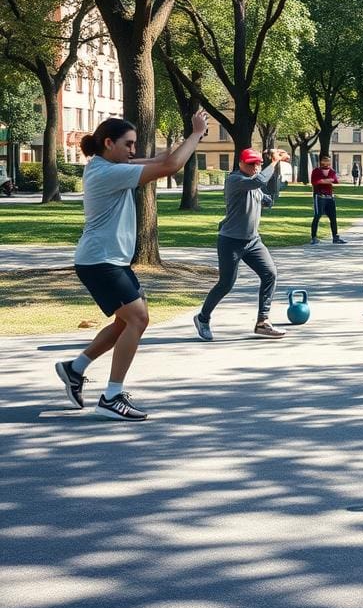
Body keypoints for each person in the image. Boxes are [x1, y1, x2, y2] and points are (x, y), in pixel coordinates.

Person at [55, 111, 208, 421]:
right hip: (101, 261)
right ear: (108, 143)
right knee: (138, 319)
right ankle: (111, 397)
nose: (133, 151)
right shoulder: (107, 173)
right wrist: (195, 135)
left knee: (127, 322)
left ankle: (75, 369)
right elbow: (171, 166)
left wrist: (177, 144)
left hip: (108, 260)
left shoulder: (109, 165)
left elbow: (162, 158)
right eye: (128, 144)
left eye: (135, 145)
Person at [193, 147, 290, 343]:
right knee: (226, 283)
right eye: (250, 164)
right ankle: (202, 318)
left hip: (253, 241)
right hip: (231, 241)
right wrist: (274, 161)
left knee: (270, 273)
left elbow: (268, 196)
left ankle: (262, 321)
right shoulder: (235, 180)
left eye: (257, 164)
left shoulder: (255, 185)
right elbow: (258, 181)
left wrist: (275, 177)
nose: (254, 167)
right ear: (240, 164)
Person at [310, 155, 346, 245]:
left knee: (333, 217)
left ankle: (335, 237)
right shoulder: (316, 171)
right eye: (325, 161)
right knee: (317, 216)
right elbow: (315, 182)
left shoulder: (332, 171)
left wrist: (323, 180)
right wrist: (327, 180)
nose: (327, 163)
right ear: (321, 162)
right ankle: (314, 237)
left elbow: (335, 181)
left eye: (328, 161)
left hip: (329, 197)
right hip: (319, 197)